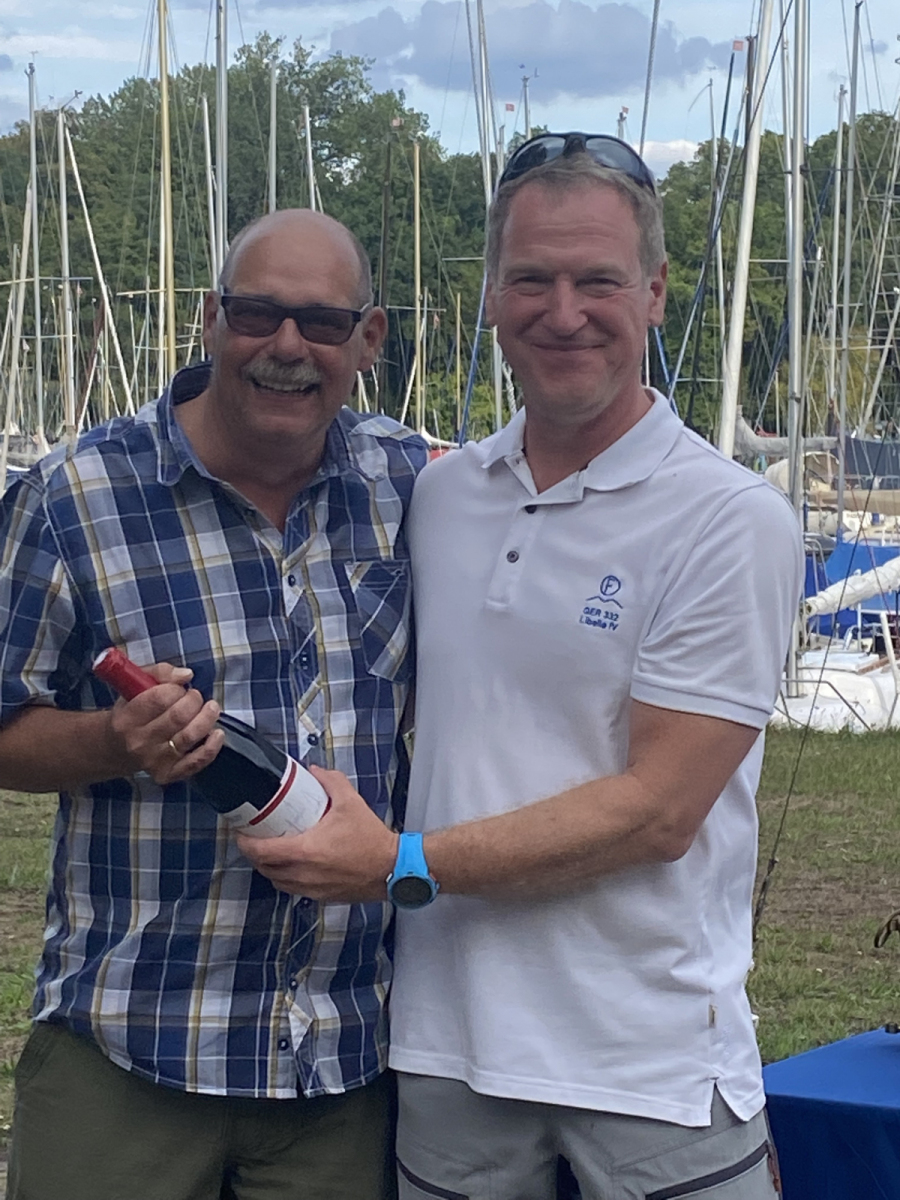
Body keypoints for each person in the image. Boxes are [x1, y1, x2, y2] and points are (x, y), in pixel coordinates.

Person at [240, 135, 804, 1199]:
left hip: (651, 1064)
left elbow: (657, 813)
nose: (564, 311)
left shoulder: (729, 519)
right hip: (448, 1047)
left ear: (655, 294)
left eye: (599, 281)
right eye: (532, 279)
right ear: (492, 298)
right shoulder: (444, 496)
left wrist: (399, 863)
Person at [0, 207, 426, 1200]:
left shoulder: (414, 486)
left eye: (323, 322)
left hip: (342, 1063)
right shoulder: (69, 498)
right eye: (258, 313)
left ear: (368, 339)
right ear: (210, 319)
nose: (288, 346)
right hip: (131, 1047)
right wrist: (114, 739)